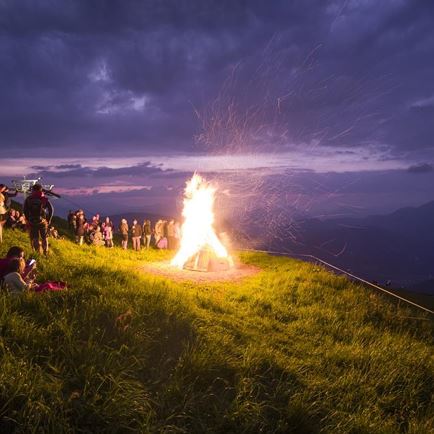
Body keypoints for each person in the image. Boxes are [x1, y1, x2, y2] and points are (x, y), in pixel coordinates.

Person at [23, 184, 54, 255]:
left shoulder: (29, 199)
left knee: (35, 237)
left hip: (32, 221)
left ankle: (38, 253)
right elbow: (51, 210)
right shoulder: (43, 198)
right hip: (42, 221)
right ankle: (45, 252)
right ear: (41, 190)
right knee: (44, 237)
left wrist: (28, 219)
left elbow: (25, 210)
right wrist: (49, 220)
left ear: (33, 190)